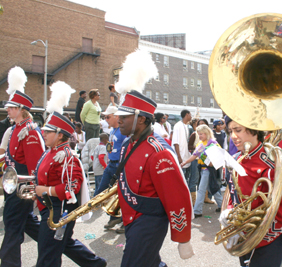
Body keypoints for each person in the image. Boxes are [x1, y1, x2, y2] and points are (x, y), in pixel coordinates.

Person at [113, 49, 193, 266]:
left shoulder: (159, 153)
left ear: (140, 120)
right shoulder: (128, 145)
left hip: (148, 221)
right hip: (131, 218)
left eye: (124, 116)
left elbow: (178, 196)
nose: (118, 120)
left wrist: (182, 237)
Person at [33, 81, 106, 267]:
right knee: (58, 247)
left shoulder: (68, 158)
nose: (43, 132)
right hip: (47, 209)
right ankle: (95, 264)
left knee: (47, 257)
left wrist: (45, 190)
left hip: (59, 212)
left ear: (59, 135)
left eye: (48, 131)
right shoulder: (48, 153)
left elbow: (70, 191)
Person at [221, 115, 282, 266]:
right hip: (242, 234)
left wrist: (255, 235)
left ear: (253, 130)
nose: (233, 136)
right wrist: (230, 215)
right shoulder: (235, 159)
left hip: (267, 240)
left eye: (238, 130)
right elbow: (232, 193)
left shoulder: (275, 165)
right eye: (230, 131)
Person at [0, 66, 46, 266]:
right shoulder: (15, 129)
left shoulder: (29, 132)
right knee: (37, 230)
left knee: (11, 226)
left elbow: (35, 167)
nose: (7, 110)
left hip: (21, 188)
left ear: (20, 109)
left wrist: (34, 192)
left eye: (11, 107)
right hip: (13, 186)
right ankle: (87, 259)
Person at [94, 105, 126, 233]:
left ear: (116, 116)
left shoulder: (123, 131)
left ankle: (124, 220)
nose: (105, 119)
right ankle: (114, 216)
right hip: (111, 165)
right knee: (101, 192)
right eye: (105, 117)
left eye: (108, 117)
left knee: (123, 194)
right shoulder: (112, 131)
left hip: (120, 165)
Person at [181, 124, 223, 217]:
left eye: (201, 134)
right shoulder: (201, 143)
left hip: (209, 169)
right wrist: (185, 162)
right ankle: (221, 206)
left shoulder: (213, 143)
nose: (199, 136)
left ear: (207, 133)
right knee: (213, 188)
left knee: (201, 190)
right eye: (199, 134)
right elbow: (195, 155)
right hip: (203, 168)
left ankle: (197, 211)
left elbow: (219, 155)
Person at [172, 109, 192, 179]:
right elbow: (175, 142)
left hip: (186, 157)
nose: (191, 117)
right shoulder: (177, 125)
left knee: (186, 179)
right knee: (181, 179)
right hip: (180, 157)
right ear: (187, 115)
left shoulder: (186, 126)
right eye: (190, 115)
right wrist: (179, 156)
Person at [188, 118, 200, 204]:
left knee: (201, 180)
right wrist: (197, 148)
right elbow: (189, 146)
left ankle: (202, 199)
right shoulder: (194, 134)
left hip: (204, 161)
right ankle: (192, 200)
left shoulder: (207, 136)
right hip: (195, 160)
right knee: (194, 180)